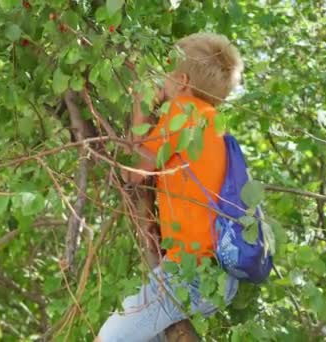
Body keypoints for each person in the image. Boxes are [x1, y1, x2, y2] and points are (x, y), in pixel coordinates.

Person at [96, 32, 244, 342]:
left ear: (182, 80)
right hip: (218, 277)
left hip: (189, 274)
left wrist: (140, 103)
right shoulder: (213, 123)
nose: (161, 82)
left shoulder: (184, 113)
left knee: (110, 339)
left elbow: (133, 174)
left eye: (165, 75)